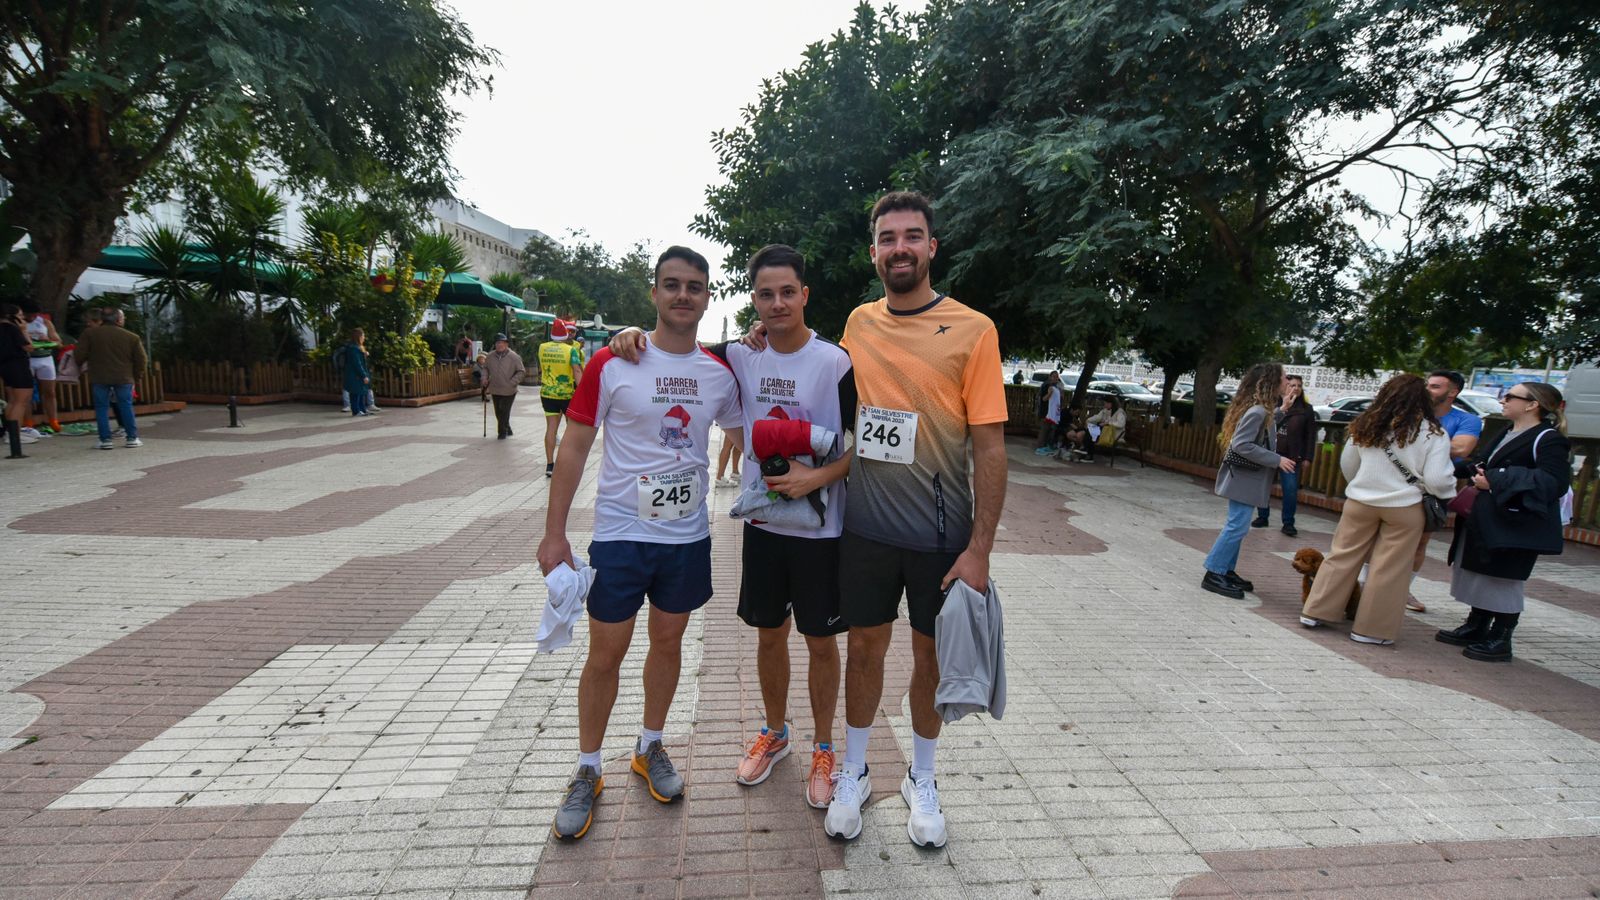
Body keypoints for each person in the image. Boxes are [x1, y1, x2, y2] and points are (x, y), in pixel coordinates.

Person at [609, 243, 857, 809]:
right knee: (769, 635)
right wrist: (629, 333)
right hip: (764, 525)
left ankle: (824, 747)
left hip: (821, 530)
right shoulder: (740, 356)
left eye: (787, 292)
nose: (777, 303)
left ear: (804, 295)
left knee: (821, 642)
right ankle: (775, 732)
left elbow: (860, 447)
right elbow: (676, 346)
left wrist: (815, 479)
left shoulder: (836, 362)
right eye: (766, 294)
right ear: (754, 300)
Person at [821, 191, 1008, 849]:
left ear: (931, 246)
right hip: (867, 527)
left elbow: (990, 448)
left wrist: (980, 549)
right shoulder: (857, 324)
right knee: (864, 650)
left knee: (930, 656)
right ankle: (854, 771)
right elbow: (814, 372)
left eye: (911, 236)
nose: (899, 248)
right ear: (873, 252)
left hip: (940, 535)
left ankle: (921, 778)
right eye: (887, 238)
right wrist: (758, 341)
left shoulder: (973, 329)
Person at [538, 247, 742, 841]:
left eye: (694, 286)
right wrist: (554, 533)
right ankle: (587, 767)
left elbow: (748, 433)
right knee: (606, 653)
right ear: (653, 293)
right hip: (621, 536)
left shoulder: (719, 372)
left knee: (669, 642)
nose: (683, 295)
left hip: (686, 538)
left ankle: (650, 745)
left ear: (707, 297)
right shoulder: (613, 360)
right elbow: (575, 446)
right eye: (671, 285)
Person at [1299, 374, 1455, 645]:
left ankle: (1315, 611)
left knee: (1342, 556)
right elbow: (1437, 479)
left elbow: (1349, 464)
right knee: (1389, 568)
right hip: (1405, 505)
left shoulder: (1367, 424)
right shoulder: (1433, 433)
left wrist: (1362, 485)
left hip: (1360, 501)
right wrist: (1443, 492)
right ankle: (1371, 630)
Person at [1435, 382, 1571, 662]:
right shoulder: (1507, 431)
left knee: (1503, 577)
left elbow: (1554, 482)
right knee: (1480, 570)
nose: (1502, 400)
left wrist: (1495, 479)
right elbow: (1482, 463)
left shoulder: (1548, 438)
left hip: (1516, 521)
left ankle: (1501, 637)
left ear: (1532, 404)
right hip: (1490, 516)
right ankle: (1477, 624)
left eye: (1510, 396)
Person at [1200, 363, 1295, 599]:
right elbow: (1242, 445)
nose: (1288, 381)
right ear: (1272, 381)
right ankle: (1214, 572)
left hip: (1245, 479)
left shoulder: (1262, 411)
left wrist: (1282, 410)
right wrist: (1277, 460)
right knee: (1236, 526)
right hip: (1244, 480)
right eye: (1284, 377)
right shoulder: (1258, 411)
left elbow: (1263, 429)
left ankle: (1225, 570)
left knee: (1238, 527)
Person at [1398, 371, 1484, 612]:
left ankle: (1403, 589)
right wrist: (1438, 446)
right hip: (1399, 483)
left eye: (1435, 386)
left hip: (1433, 489)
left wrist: (1416, 443)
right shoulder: (1408, 413)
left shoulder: (1467, 420)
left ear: (1452, 392)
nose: (1427, 390)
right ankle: (1368, 585)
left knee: (1420, 541)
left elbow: (1463, 448)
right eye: (1427, 385)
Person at [1253, 373, 1317, 536]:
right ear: (1284, 387)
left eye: (1299, 386)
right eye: (1292, 385)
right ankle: (1262, 516)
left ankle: (1288, 522)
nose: (1296, 388)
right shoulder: (1274, 406)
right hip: (1271, 453)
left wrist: (1308, 457)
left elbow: (1311, 435)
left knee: (1290, 490)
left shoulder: (1306, 409)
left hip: (1292, 456)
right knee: (1264, 486)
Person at [75, 307, 148, 449]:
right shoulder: (132, 337)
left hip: (99, 376)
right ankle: (132, 438)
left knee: (101, 407)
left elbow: (79, 355)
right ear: (119, 320)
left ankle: (105, 440)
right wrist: (136, 376)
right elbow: (141, 360)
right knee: (126, 405)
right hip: (124, 377)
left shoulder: (90, 334)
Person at [536, 319, 585, 478]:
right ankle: (567, 462)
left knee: (551, 428)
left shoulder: (542, 347)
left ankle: (550, 465)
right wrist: (583, 391)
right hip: (566, 395)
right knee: (571, 429)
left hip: (547, 394)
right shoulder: (570, 350)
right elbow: (577, 371)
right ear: (565, 334)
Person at [1, 304, 35, 458]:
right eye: (20, 316)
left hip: (4, 366)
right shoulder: (12, 329)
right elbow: (29, 347)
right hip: (18, 366)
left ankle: (10, 432)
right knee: (21, 401)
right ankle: (15, 435)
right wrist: (24, 330)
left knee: (13, 400)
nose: (23, 319)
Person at [482, 333, 526, 439]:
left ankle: (502, 432)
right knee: (498, 411)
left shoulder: (514, 357)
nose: (499, 345)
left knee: (504, 410)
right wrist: (484, 378)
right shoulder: (490, 356)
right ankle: (508, 428)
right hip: (495, 389)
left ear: (506, 344)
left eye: (502, 343)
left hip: (509, 390)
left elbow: (521, 371)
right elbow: (485, 368)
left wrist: (512, 383)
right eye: (497, 343)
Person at [340, 329, 372, 417]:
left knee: (361, 392)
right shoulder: (353, 348)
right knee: (355, 392)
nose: (364, 338)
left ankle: (362, 409)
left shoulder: (357, 347)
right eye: (363, 336)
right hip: (355, 374)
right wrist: (364, 375)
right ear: (359, 337)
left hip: (357, 374)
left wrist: (364, 354)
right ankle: (356, 410)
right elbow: (357, 363)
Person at [1034, 372, 1063, 455]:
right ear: (1050, 377)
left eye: (1057, 377)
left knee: (1049, 430)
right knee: (1045, 430)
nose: (1056, 378)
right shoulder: (1047, 385)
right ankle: (1040, 447)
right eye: (1054, 376)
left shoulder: (1055, 387)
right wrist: (1050, 393)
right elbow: (1043, 399)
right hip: (1046, 412)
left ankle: (1045, 446)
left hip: (1051, 412)